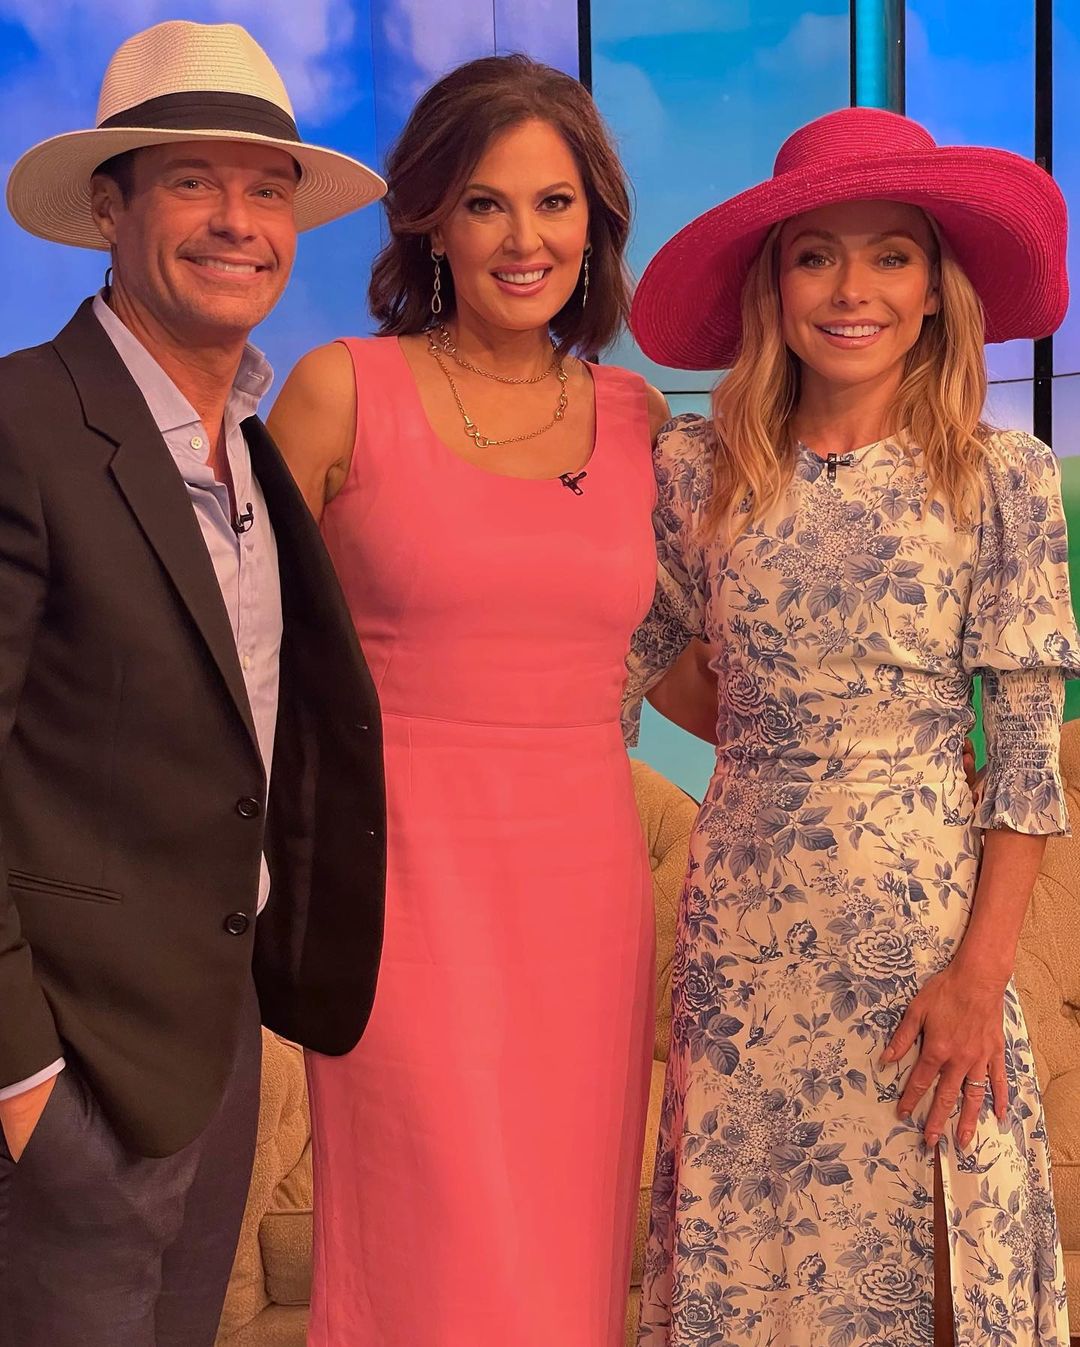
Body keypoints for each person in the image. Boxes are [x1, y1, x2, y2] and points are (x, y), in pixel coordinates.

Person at [625, 107, 1073, 1346]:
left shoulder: (1002, 477)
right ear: (773, 286)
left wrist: (980, 977)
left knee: (941, 1262)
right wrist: (779, 734)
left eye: (890, 254)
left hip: (928, 944)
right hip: (745, 942)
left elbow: (1026, 760)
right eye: (815, 255)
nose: (851, 288)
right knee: (752, 1258)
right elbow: (640, 649)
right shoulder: (694, 470)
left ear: (935, 289)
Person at [268, 53, 669, 1347]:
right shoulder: (340, 388)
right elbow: (237, 649)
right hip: (400, 892)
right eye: (486, 202)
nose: (523, 238)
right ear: (431, 217)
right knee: (430, 1250)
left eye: (555, 204)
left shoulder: (644, 421)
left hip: (587, 902)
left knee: (563, 1259)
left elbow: (693, 665)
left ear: (595, 224)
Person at [0, 21, 386, 1347]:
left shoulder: (258, 457)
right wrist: (22, 1079)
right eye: (192, 182)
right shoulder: (22, 424)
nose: (239, 220)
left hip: (213, 1052)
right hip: (63, 1072)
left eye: (268, 188)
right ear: (109, 209)